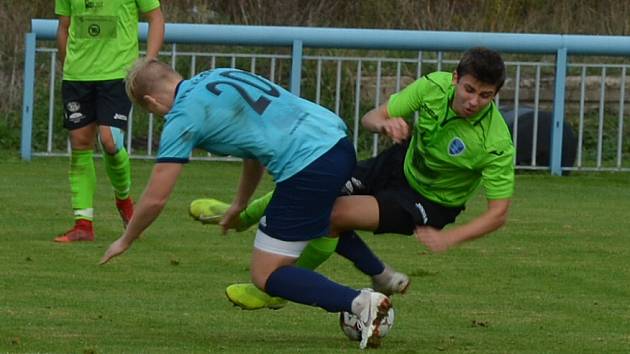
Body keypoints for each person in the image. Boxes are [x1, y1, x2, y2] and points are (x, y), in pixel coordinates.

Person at [99, 59, 394, 349]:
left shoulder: (182, 117)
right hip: (336, 141)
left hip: (308, 165)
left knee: (265, 274)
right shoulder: (220, 74)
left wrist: (126, 239)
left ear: (151, 102)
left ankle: (360, 303)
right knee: (324, 228)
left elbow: (155, 197)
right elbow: (254, 144)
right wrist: (239, 204)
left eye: (151, 111)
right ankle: (380, 278)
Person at [191, 47, 515, 311]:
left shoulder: (496, 142)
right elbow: (372, 117)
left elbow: (498, 213)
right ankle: (243, 217)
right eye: (469, 89)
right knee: (314, 189)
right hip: (395, 166)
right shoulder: (433, 86)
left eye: (485, 96)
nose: (473, 101)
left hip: (429, 202)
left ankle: (277, 288)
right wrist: (384, 125)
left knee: (334, 214)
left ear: (496, 95)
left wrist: (450, 238)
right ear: (456, 78)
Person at [53, 0, 164, 242]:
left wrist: (148, 62)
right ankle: (83, 224)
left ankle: (124, 199)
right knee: (80, 143)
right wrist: (67, 65)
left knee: (110, 140)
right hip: (77, 75)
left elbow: (155, 17)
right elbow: (63, 26)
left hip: (117, 74)